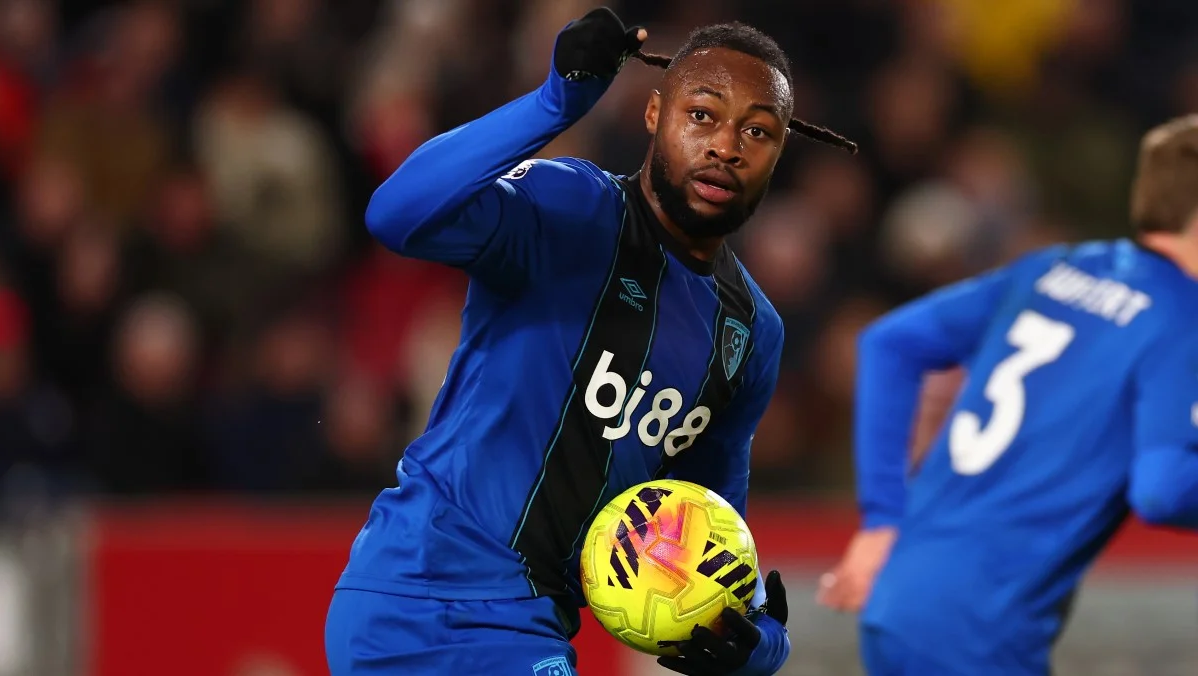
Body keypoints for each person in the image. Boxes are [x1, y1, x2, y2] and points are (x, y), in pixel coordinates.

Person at [324, 8, 855, 676]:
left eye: (757, 131)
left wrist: (758, 642)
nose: (726, 145)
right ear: (654, 114)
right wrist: (554, 103)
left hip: (531, 630)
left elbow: (708, 519)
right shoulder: (572, 209)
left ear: (778, 154)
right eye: (702, 115)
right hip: (414, 594)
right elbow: (396, 213)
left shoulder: (750, 332)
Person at [817, 114, 1198, 675]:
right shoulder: (1182, 317)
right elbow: (1163, 491)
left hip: (900, 601)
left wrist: (882, 518)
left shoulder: (1053, 270)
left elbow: (889, 344)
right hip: (978, 631)